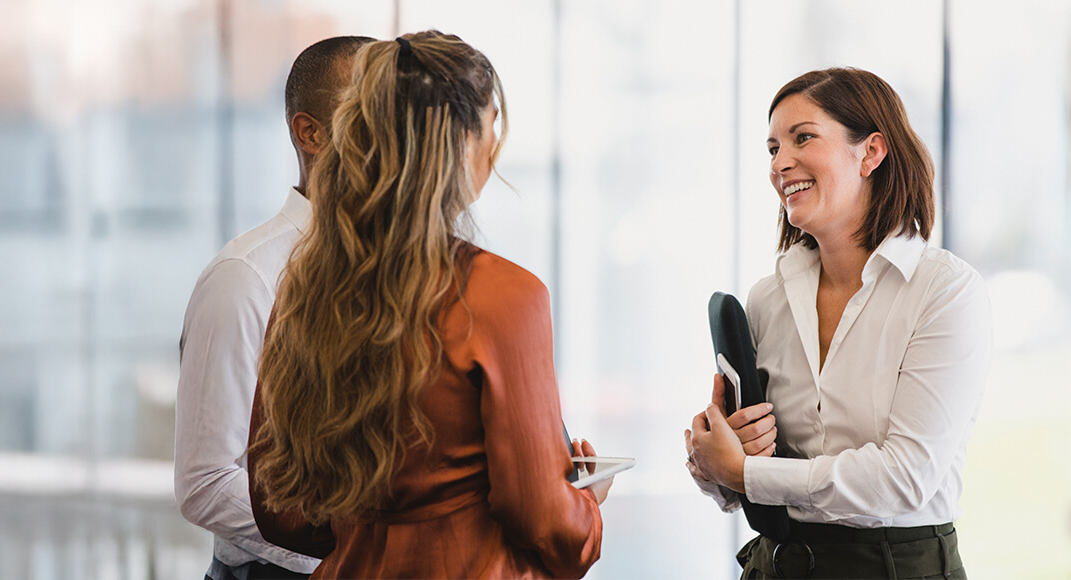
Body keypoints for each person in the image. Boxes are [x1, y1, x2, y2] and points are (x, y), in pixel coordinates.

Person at [246, 30, 608, 579]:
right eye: (493, 125)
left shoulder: (303, 291)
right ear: (461, 140)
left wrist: (368, 529)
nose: (496, 146)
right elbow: (540, 516)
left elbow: (282, 511)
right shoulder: (504, 295)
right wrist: (585, 503)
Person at [686, 67, 989, 579]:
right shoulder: (768, 299)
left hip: (899, 566)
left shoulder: (945, 291)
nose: (781, 163)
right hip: (779, 564)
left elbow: (905, 479)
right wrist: (714, 457)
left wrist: (748, 471)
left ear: (871, 152)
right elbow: (738, 487)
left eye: (803, 137)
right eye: (772, 148)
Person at [174, 34, 374, 580]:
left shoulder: (400, 274)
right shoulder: (244, 279)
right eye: (367, 114)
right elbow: (206, 482)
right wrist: (351, 548)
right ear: (309, 133)